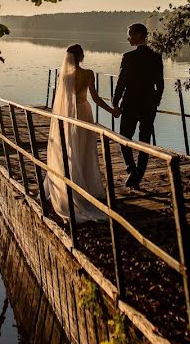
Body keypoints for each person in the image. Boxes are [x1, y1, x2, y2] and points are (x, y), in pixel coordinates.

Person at [45, 44, 115, 222]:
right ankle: (86, 186)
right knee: (85, 148)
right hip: (85, 112)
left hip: (69, 115)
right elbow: (96, 98)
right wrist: (112, 111)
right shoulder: (89, 74)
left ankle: (72, 183)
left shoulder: (66, 76)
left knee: (70, 147)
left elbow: (60, 100)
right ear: (82, 56)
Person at [112, 23, 163, 189]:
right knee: (144, 141)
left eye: (130, 35)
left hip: (130, 103)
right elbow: (160, 85)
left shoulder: (129, 57)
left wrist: (115, 101)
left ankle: (132, 170)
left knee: (124, 138)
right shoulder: (156, 57)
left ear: (139, 35)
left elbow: (122, 81)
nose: (128, 38)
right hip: (149, 105)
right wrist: (155, 102)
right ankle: (138, 174)